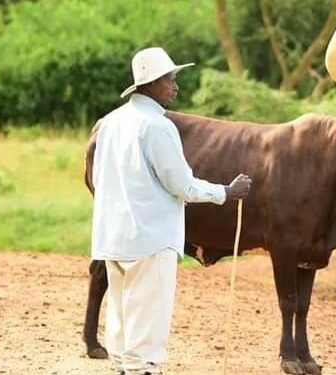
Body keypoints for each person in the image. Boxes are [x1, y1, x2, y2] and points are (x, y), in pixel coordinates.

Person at [90, 47, 251, 375]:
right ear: (149, 83)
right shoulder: (158, 127)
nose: (175, 85)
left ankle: (125, 368)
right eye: (168, 79)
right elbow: (183, 186)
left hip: (112, 236)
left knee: (121, 317)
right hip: (150, 238)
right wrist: (226, 192)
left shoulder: (109, 123)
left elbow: (100, 179)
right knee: (147, 325)